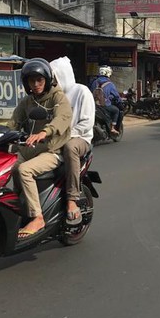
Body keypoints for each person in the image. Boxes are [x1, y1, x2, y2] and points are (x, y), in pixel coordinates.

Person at [9, 58, 73, 238]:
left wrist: (45, 132)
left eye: (39, 80)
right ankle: (17, 203)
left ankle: (37, 217)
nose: (36, 84)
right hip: (30, 149)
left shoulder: (57, 96)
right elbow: (13, 122)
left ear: (47, 80)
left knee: (24, 170)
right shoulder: (27, 101)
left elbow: (63, 117)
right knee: (8, 164)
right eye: (32, 81)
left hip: (52, 150)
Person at [49, 57, 94, 226]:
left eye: (55, 77)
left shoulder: (82, 91)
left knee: (70, 148)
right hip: (57, 138)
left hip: (80, 139)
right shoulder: (54, 96)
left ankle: (72, 198)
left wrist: (64, 136)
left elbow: (86, 123)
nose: (53, 82)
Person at [89, 65, 122, 135]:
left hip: (93, 105)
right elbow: (117, 96)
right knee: (116, 110)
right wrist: (120, 102)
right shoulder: (110, 84)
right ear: (108, 73)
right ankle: (112, 128)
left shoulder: (94, 82)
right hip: (104, 106)